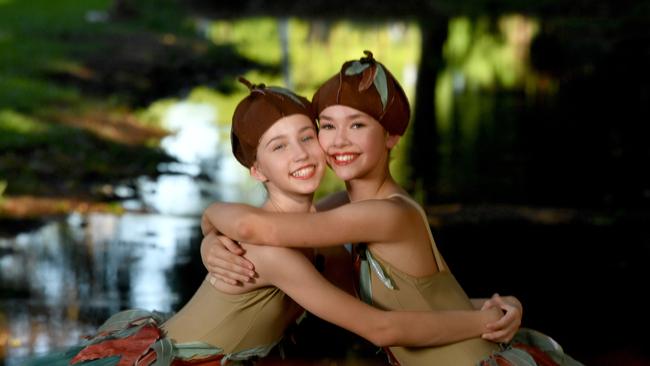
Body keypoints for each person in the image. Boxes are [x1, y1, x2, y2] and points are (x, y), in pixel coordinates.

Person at [24, 77, 517, 366]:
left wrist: (483, 305)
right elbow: (379, 328)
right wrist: (478, 322)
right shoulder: (272, 247)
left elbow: (383, 299)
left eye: (308, 136)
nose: (302, 154)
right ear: (257, 170)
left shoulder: (326, 221)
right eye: (279, 147)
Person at [201, 52, 583, 366]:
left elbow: (257, 229)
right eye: (327, 126)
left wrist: (210, 216)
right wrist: (498, 309)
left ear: (391, 135)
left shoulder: (386, 214)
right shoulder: (340, 213)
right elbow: (426, 305)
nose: (338, 141)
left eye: (357, 126)